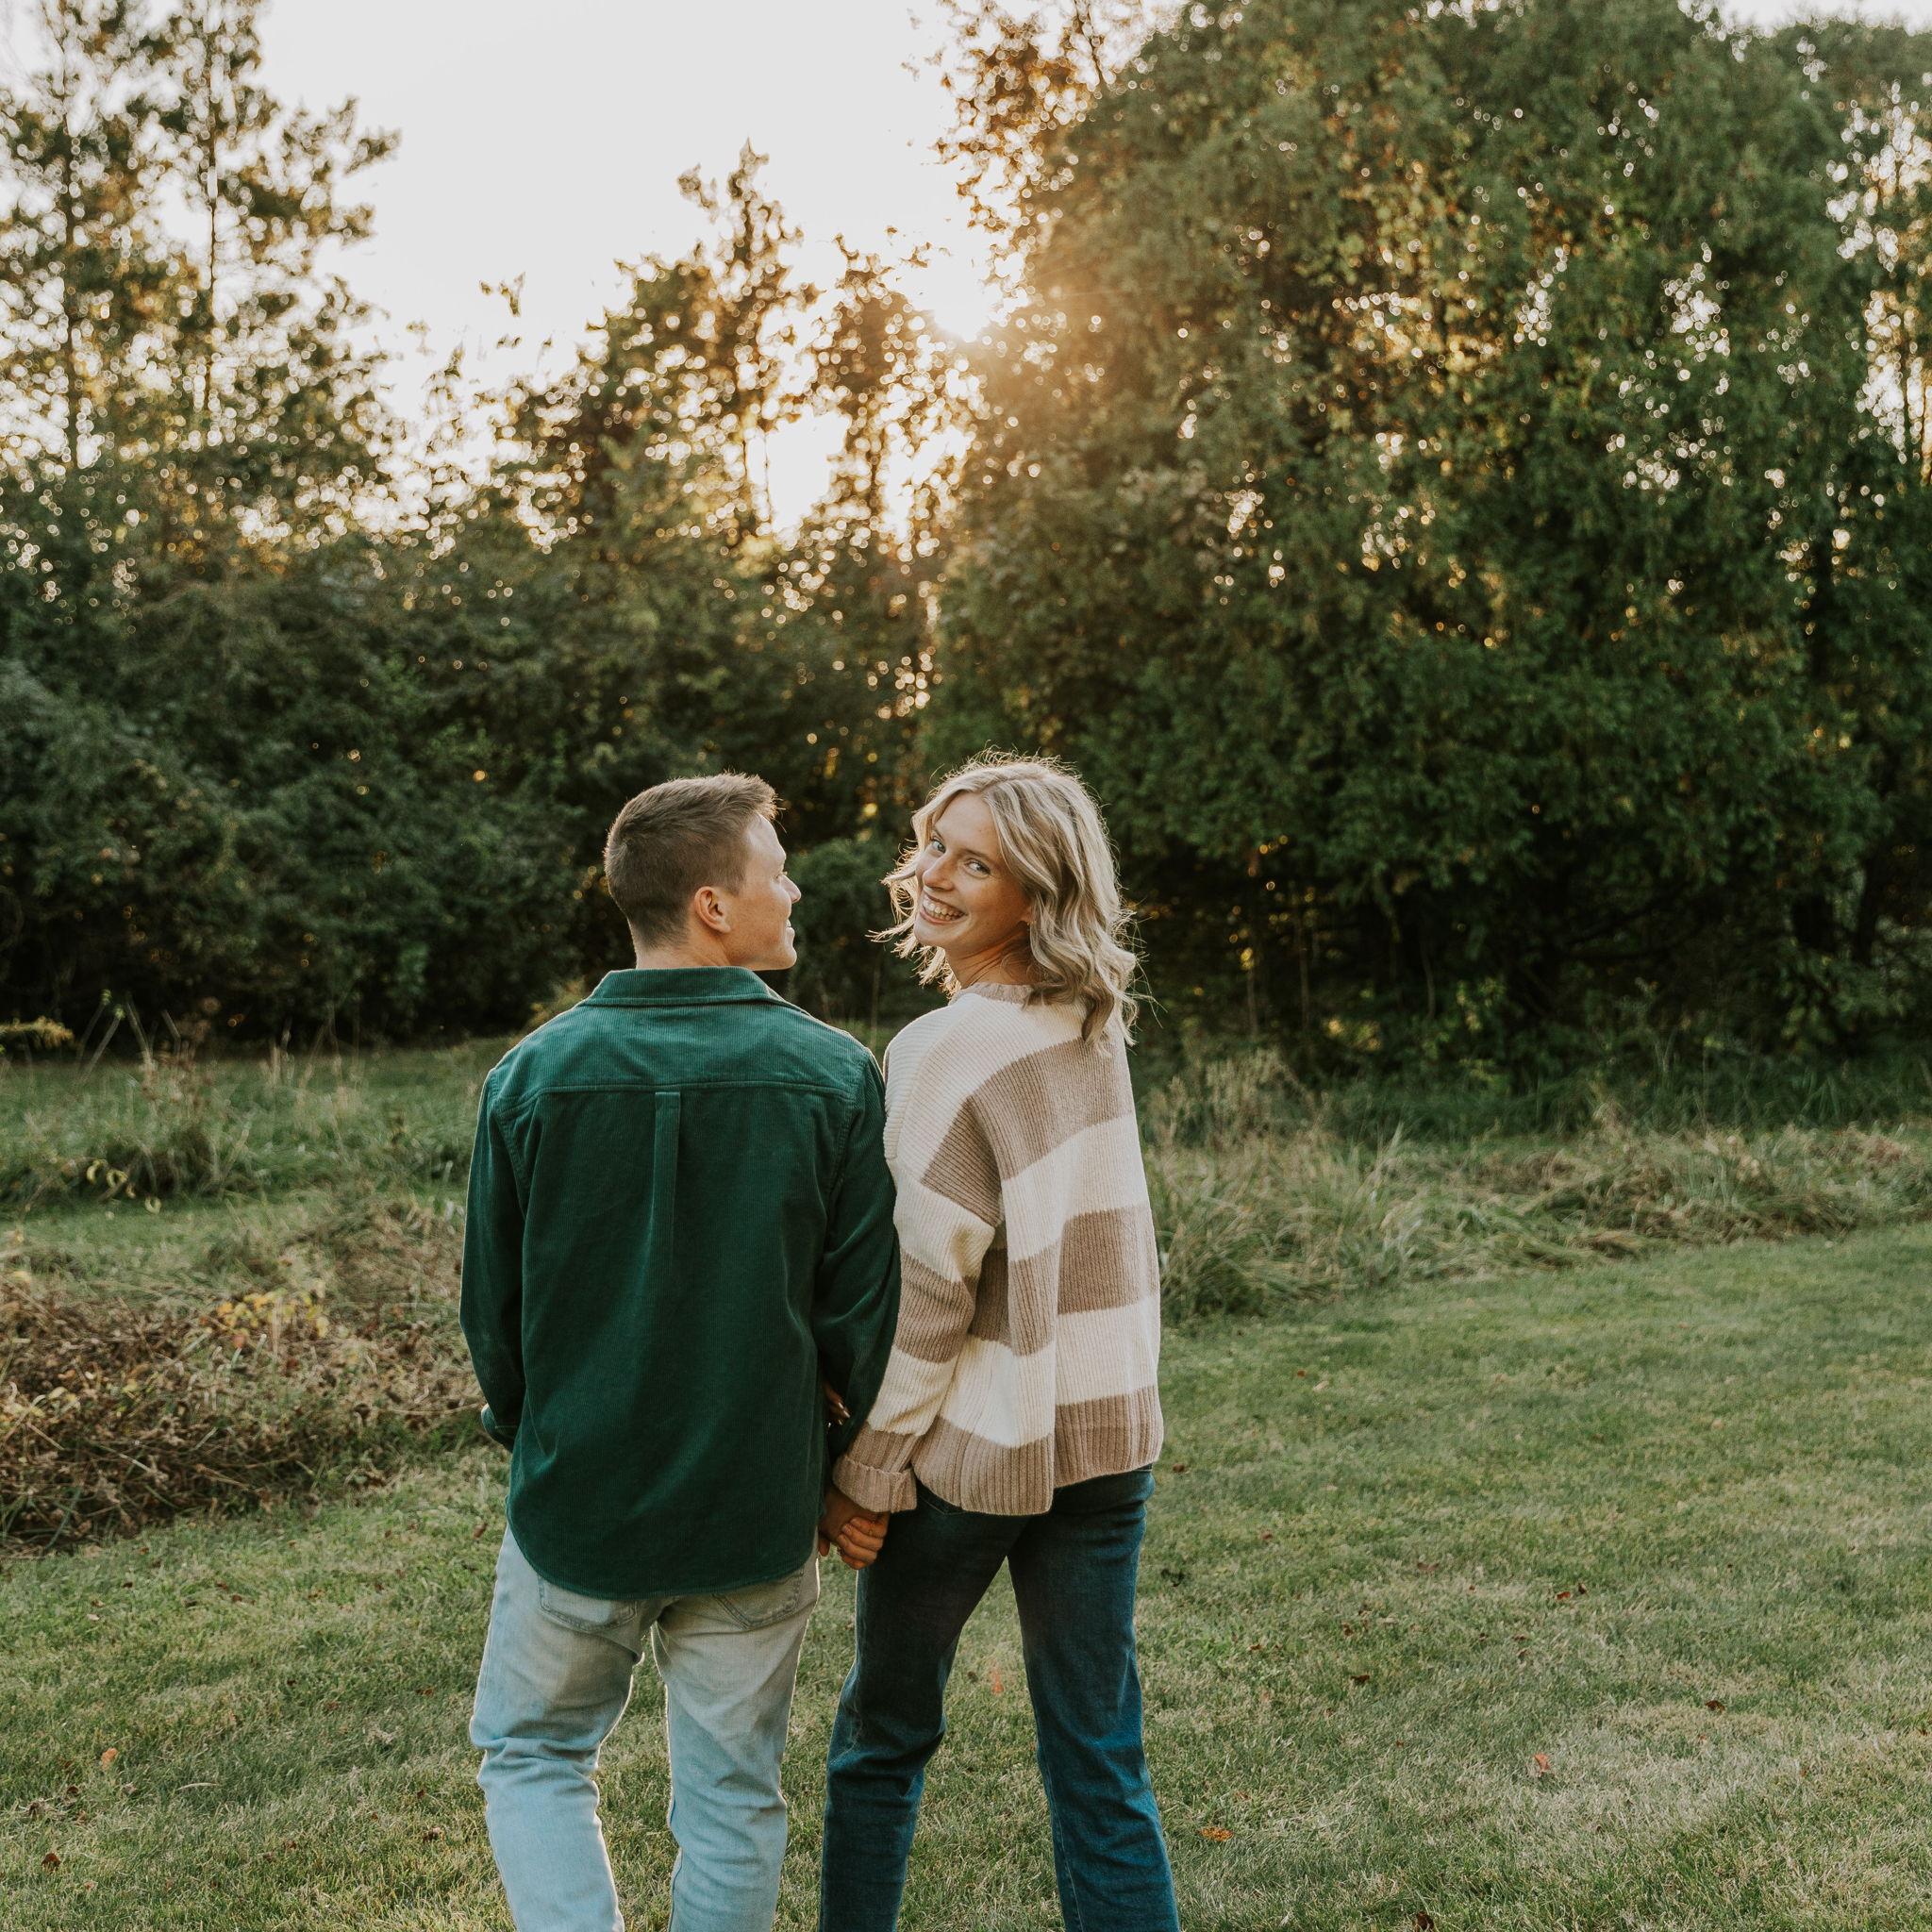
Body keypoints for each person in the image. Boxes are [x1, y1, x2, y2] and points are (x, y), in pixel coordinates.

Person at [460, 772, 901, 1932]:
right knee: (732, 1794)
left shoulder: (529, 1076)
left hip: (580, 1499)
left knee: (533, 1751)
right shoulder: (835, 1072)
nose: (794, 890)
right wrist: (841, 1466)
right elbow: (864, 1316)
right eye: (776, 871)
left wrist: (533, 1432)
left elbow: (492, 1317)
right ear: (712, 904)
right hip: (754, 1502)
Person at [818, 754, 1180, 1932]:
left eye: (974, 863)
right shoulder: (1091, 1021)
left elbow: (927, 1297)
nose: (933, 874)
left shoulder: (941, 1050)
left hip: (974, 1453)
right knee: (1098, 1755)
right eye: (934, 843)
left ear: (1035, 895)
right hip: (1106, 1436)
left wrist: (867, 1470)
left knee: (881, 1739)